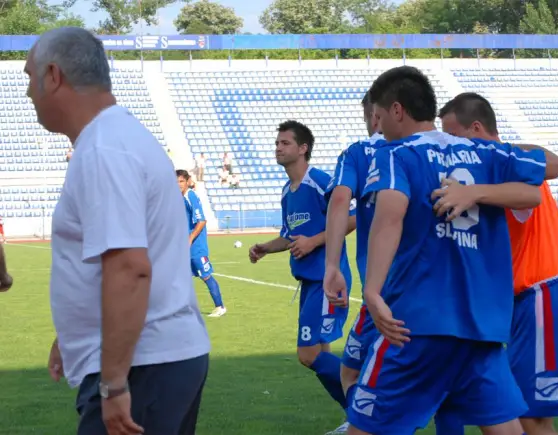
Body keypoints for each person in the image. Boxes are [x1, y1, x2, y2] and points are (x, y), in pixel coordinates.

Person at [346, 66, 558, 435]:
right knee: (506, 430)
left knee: (364, 429)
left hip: (417, 325)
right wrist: (483, 183)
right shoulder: (482, 151)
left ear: (397, 111)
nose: (378, 129)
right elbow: (543, 179)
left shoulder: (396, 154)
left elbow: (389, 219)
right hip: (482, 326)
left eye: (379, 118)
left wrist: (371, 291)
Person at [30, 27, 210, 435]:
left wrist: (113, 383)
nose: (27, 92)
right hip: (154, 360)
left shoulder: (104, 148)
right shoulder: (118, 136)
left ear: (54, 75)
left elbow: (130, 267)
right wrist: (73, 336)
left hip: (143, 365)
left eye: (30, 77)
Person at [439, 91, 558, 435]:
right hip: (525, 304)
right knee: (501, 410)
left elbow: (552, 166)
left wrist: (473, 192)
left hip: (545, 296)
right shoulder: (490, 169)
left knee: (530, 420)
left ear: (476, 128)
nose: (447, 145)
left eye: (452, 135)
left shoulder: (508, 166)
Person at [248, 121, 356, 430]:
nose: (278, 148)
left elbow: (351, 218)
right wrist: (265, 248)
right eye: (277, 143)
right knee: (320, 354)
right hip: (309, 283)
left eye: (284, 143)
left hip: (327, 279)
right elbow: (290, 235)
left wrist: (314, 241)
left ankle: (369, 407)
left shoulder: (320, 181)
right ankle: (356, 419)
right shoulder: (287, 192)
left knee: (308, 354)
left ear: (303, 148)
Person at [323, 92, 386, 435]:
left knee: (354, 372)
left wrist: (331, 265)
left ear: (375, 115)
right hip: (437, 292)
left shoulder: (359, 153)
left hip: (384, 293)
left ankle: (361, 425)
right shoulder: (434, 149)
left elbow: (339, 200)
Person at [177, 169, 226, 317]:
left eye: (181, 181)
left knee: (205, 275)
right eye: (175, 182)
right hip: (185, 246)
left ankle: (220, 307)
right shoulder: (179, 197)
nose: (178, 184)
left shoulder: (191, 196)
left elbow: (202, 220)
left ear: (187, 181)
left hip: (196, 247)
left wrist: (190, 238)